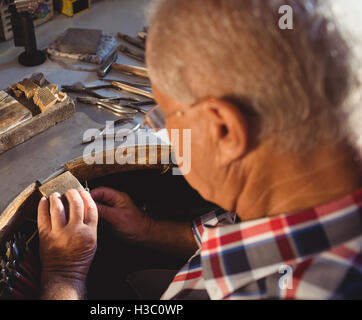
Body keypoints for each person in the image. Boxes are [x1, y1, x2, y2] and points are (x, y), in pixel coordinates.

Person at [38, 0, 362, 300]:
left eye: (163, 115)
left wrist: (65, 275)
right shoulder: (304, 184)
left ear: (224, 129)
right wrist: (147, 230)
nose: (158, 129)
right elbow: (250, 235)